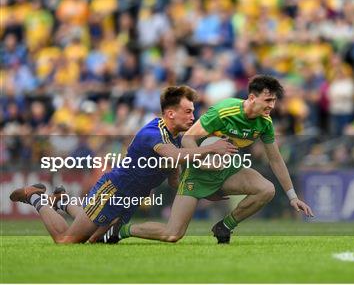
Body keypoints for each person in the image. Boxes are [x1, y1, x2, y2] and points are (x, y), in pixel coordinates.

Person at [100, 75, 314, 244]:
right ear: (251, 98)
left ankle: (224, 226)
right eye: (268, 100)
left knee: (266, 189)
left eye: (274, 101)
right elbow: (187, 139)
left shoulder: (264, 123)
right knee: (172, 234)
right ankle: (122, 229)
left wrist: (292, 196)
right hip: (197, 172)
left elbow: (276, 160)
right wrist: (202, 163)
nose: (272, 106)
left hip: (227, 169)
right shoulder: (224, 111)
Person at [9, 86, 236, 243]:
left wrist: (204, 193)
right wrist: (211, 148)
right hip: (113, 191)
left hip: (129, 199)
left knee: (95, 239)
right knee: (66, 239)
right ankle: (36, 197)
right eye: (188, 111)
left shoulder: (176, 136)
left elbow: (175, 179)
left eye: (193, 111)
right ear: (170, 113)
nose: (192, 116)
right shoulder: (153, 133)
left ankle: (63, 201)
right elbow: (174, 156)